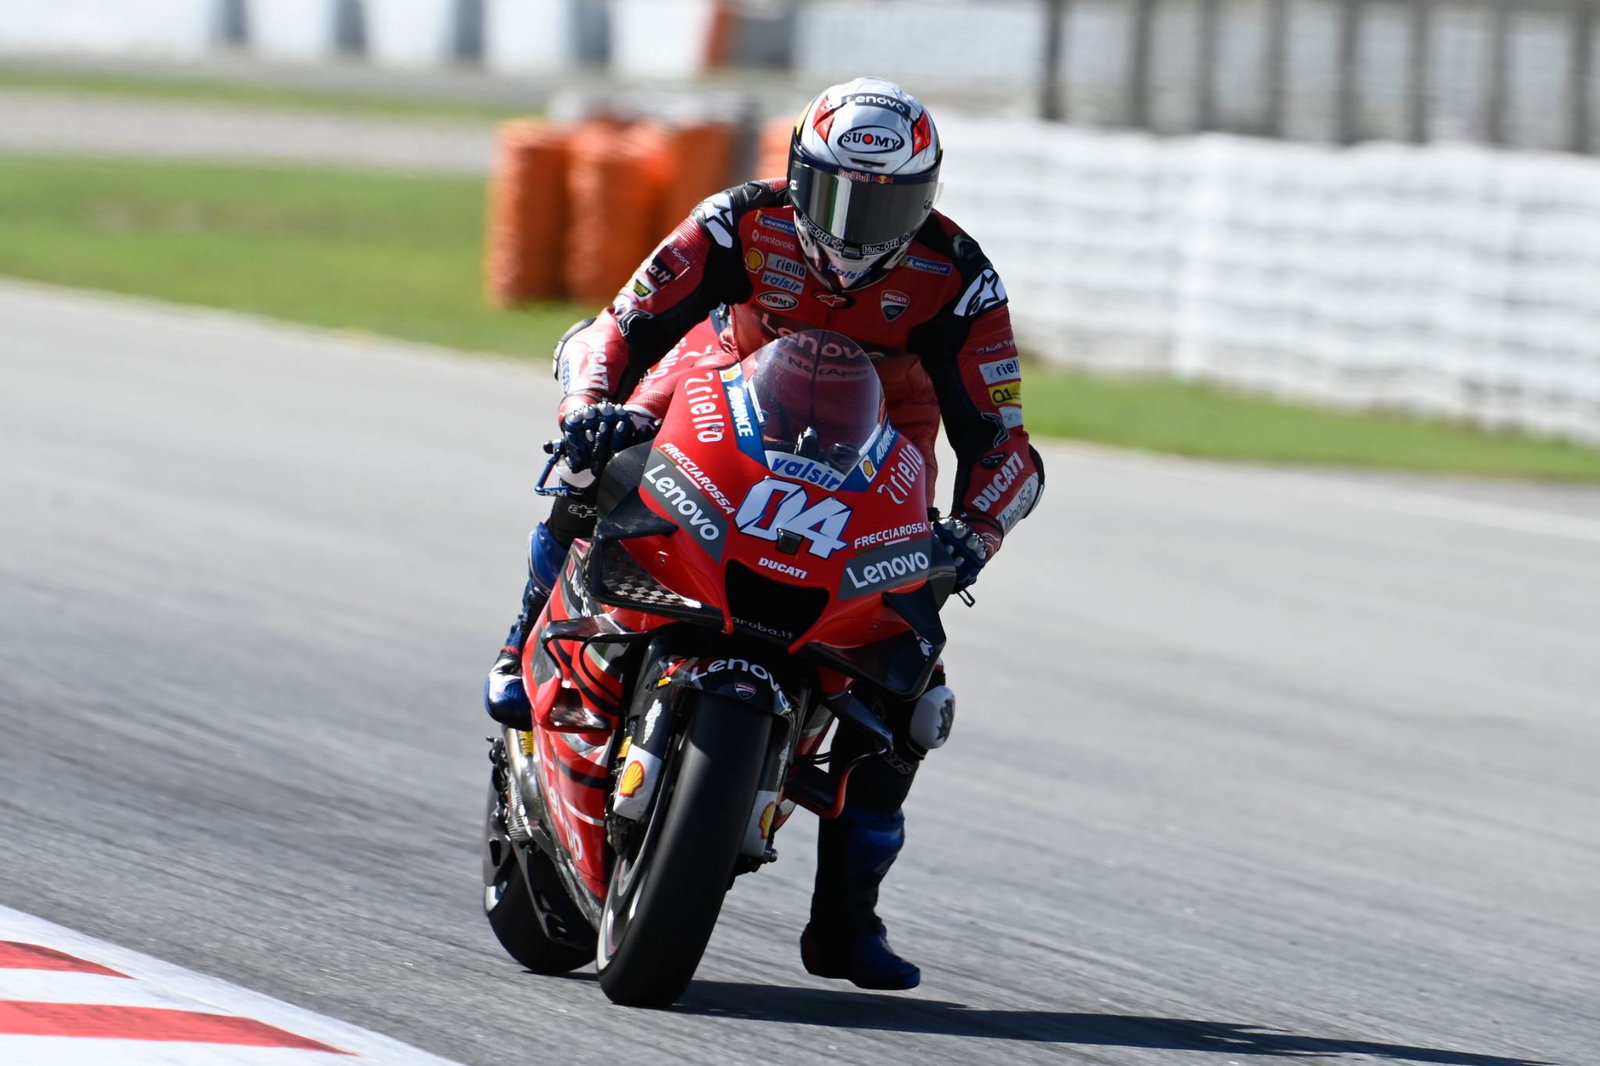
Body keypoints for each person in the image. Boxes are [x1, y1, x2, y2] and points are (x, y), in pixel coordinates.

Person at [486, 77, 1044, 990]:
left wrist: (971, 540)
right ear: (796, 177)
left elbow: (1006, 446)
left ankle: (844, 921)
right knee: (592, 465)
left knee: (914, 689)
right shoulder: (740, 221)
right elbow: (621, 327)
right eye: (838, 196)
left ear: (928, 198)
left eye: (889, 202)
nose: (859, 226)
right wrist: (590, 409)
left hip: (883, 435)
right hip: (726, 381)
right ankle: (523, 640)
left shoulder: (959, 277)